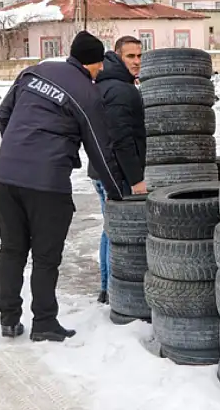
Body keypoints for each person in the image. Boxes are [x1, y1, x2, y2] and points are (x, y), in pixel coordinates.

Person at [0, 30, 127, 342]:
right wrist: (118, 192)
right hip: (47, 183)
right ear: (93, 65)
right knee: (45, 256)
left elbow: (3, 115)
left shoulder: (34, 71)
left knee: (11, 249)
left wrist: (18, 151)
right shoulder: (87, 92)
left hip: (6, 177)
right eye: (99, 67)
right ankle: (44, 323)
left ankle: (9, 320)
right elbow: (99, 149)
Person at [87, 35, 147, 304]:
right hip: (115, 174)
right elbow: (122, 139)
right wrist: (135, 180)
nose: (136, 62)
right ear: (117, 55)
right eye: (130, 57)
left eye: (139, 56)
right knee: (117, 234)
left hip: (101, 169)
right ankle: (112, 291)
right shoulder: (122, 90)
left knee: (109, 230)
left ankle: (106, 288)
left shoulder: (106, 83)